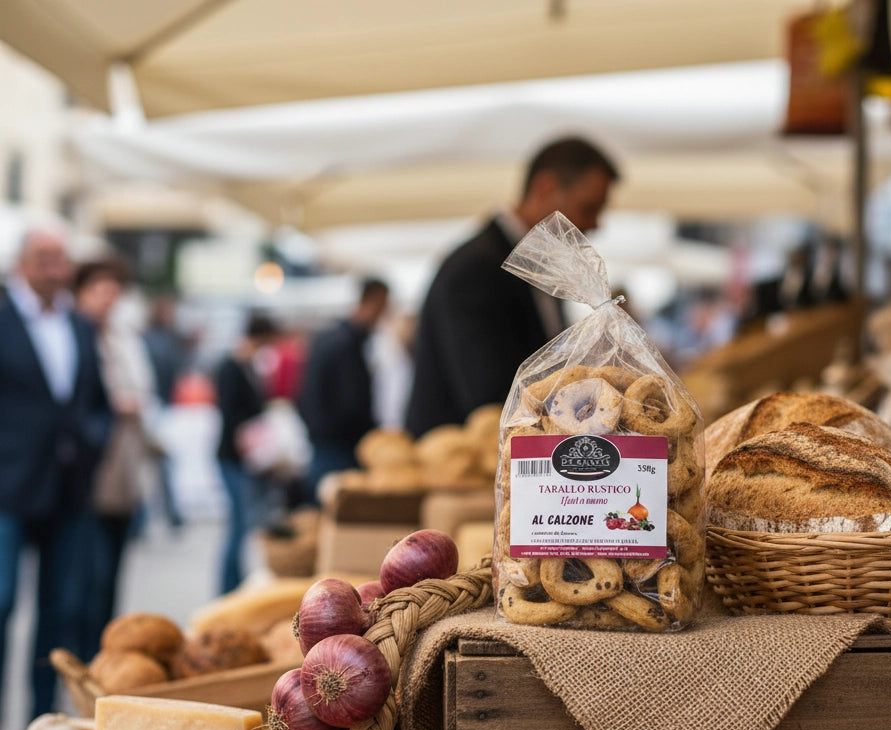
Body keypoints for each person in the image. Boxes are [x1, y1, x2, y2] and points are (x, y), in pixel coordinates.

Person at [404, 136, 620, 437]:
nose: (596, 224)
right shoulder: (476, 268)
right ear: (545, 187)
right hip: (465, 463)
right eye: (589, 207)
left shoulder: (542, 266)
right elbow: (489, 396)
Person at [0, 226, 112, 720]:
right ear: (22, 263)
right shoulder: (3, 319)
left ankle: (40, 722)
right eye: (44, 257)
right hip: (7, 488)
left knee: (61, 612)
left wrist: (92, 440)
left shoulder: (80, 325)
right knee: (1, 605)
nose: (55, 267)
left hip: (69, 491)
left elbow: (96, 400)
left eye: (61, 258)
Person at [74, 255, 158, 662]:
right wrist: (116, 405)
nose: (107, 299)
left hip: (125, 469)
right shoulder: (78, 336)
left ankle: (104, 657)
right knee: (89, 577)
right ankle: (86, 656)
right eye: (99, 291)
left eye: (113, 292)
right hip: (90, 473)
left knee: (111, 577)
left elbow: (144, 392)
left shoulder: (124, 336)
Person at [298, 277, 390, 500]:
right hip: (338, 449)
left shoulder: (333, 338)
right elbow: (351, 403)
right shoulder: (346, 344)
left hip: (327, 445)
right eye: (384, 306)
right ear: (373, 301)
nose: (385, 314)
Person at [213, 312, 279, 594]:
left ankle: (232, 584)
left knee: (241, 523)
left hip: (244, 458)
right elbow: (230, 415)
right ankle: (228, 587)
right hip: (233, 458)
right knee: (238, 525)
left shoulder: (247, 365)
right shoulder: (232, 367)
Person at [141, 292, 191, 530]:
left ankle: (167, 514)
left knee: (160, 462)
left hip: (160, 404)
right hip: (153, 405)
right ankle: (158, 516)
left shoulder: (166, 338)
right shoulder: (154, 339)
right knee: (155, 463)